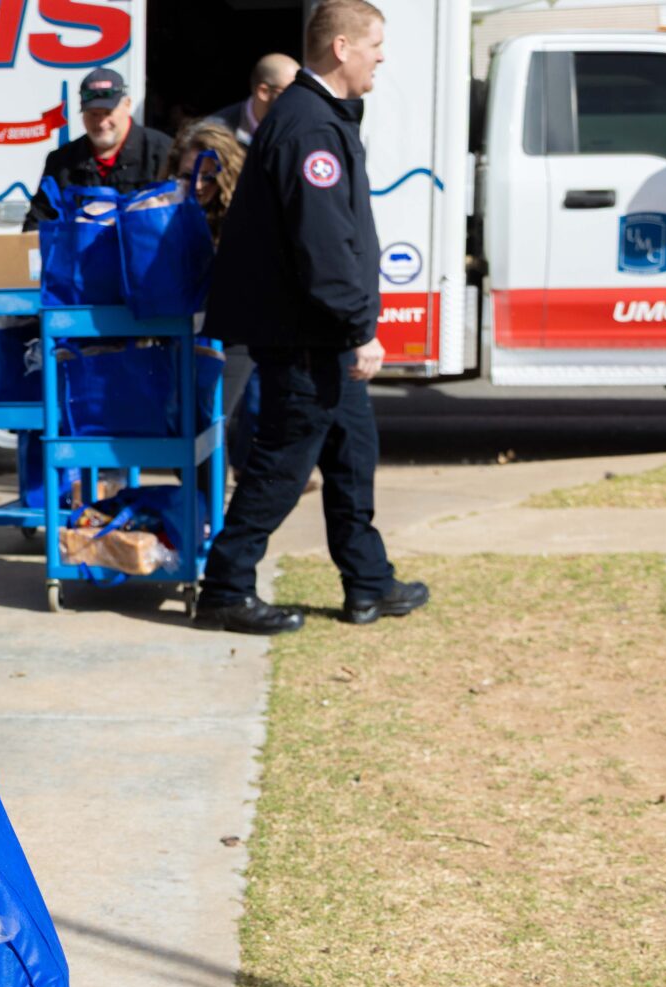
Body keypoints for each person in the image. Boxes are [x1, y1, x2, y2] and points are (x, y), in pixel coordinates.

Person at [195, 0, 428, 635]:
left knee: (354, 454)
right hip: (307, 335)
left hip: (319, 335)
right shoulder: (309, 127)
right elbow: (322, 246)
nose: (383, 56)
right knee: (280, 467)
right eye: (376, 44)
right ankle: (224, 588)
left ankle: (369, 583)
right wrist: (361, 329)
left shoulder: (321, 116)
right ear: (343, 48)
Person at [162, 118, 262, 476]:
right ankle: (201, 517)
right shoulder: (168, 209)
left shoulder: (243, 211)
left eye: (208, 176)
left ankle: (210, 522)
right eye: (189, 175)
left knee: (208, 428)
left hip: (232, 336)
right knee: (181, 431)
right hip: (183, 333)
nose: (198, 185)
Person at [22, 67, 174, 229]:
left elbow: (177, 216)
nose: (101, 123)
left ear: (127, 105)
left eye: (108, 113)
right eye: (93, 114)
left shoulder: (161, 151)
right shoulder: (61, 161)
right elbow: (38, 222)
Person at [205, 53, 301, 147]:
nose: (299, 99)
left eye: (301, 90)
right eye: (291, 91)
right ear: (263, 92)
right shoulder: (215, 133)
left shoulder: (302, 126)